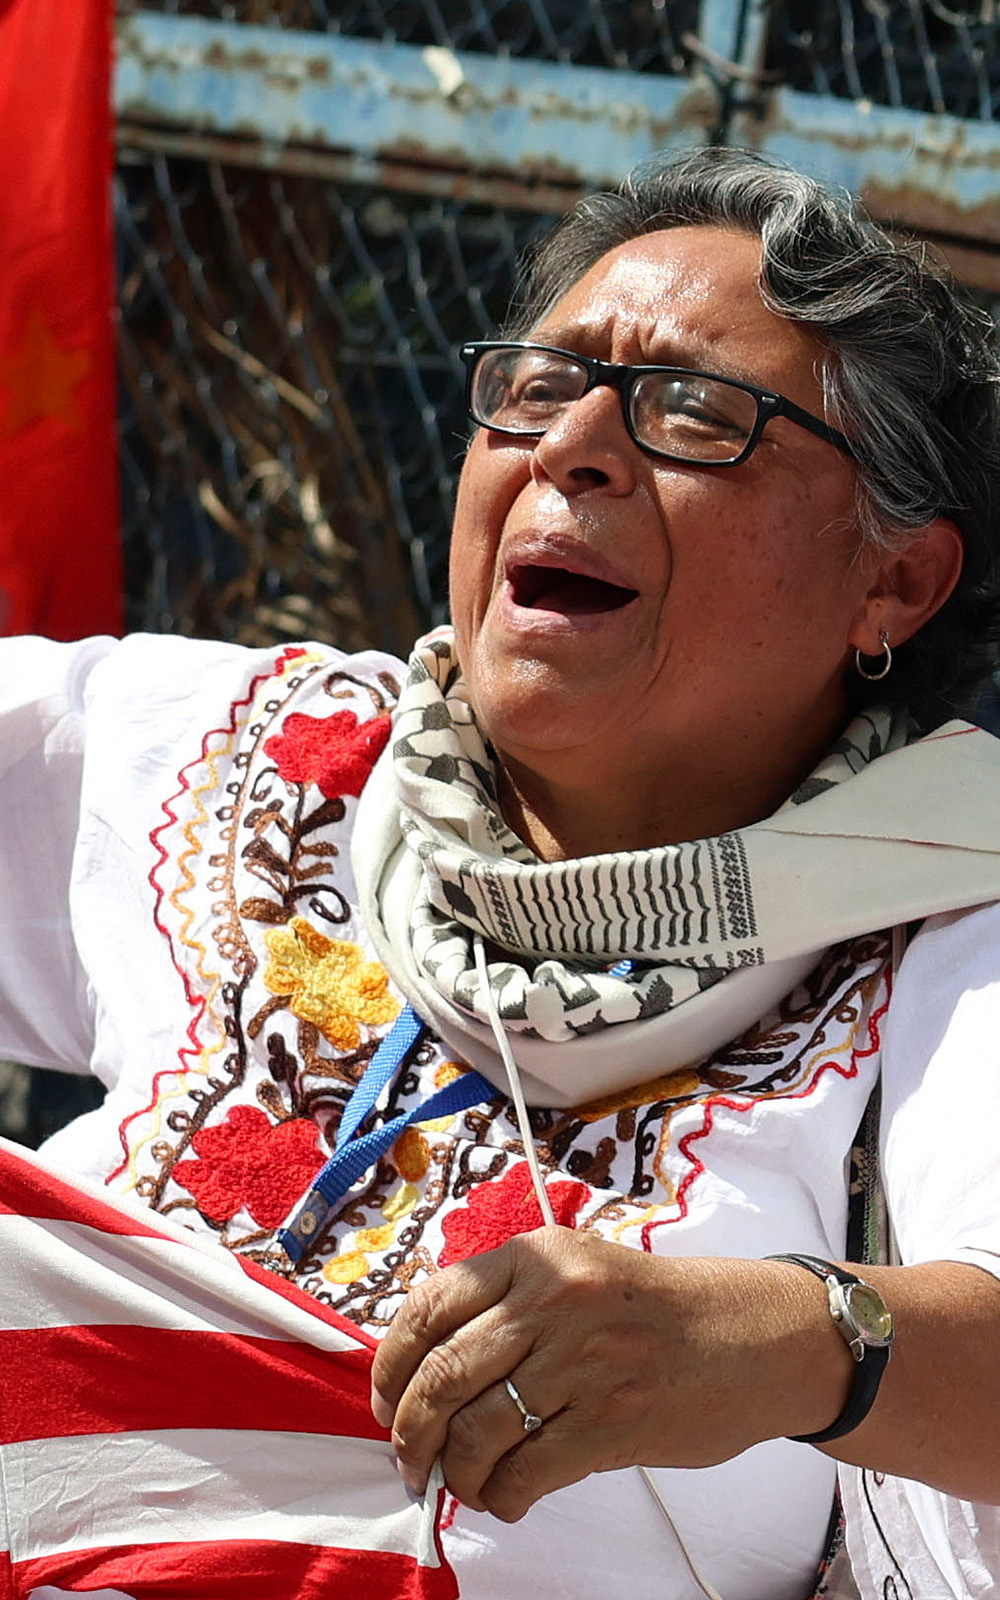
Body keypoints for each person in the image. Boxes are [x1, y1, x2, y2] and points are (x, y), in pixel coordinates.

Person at [3, 145, 1000, 1600]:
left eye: (694, 413)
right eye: (537, 387)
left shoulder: (942, 932)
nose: (572, 447)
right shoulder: (261, 756)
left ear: (894, 581)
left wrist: (792, 1339)